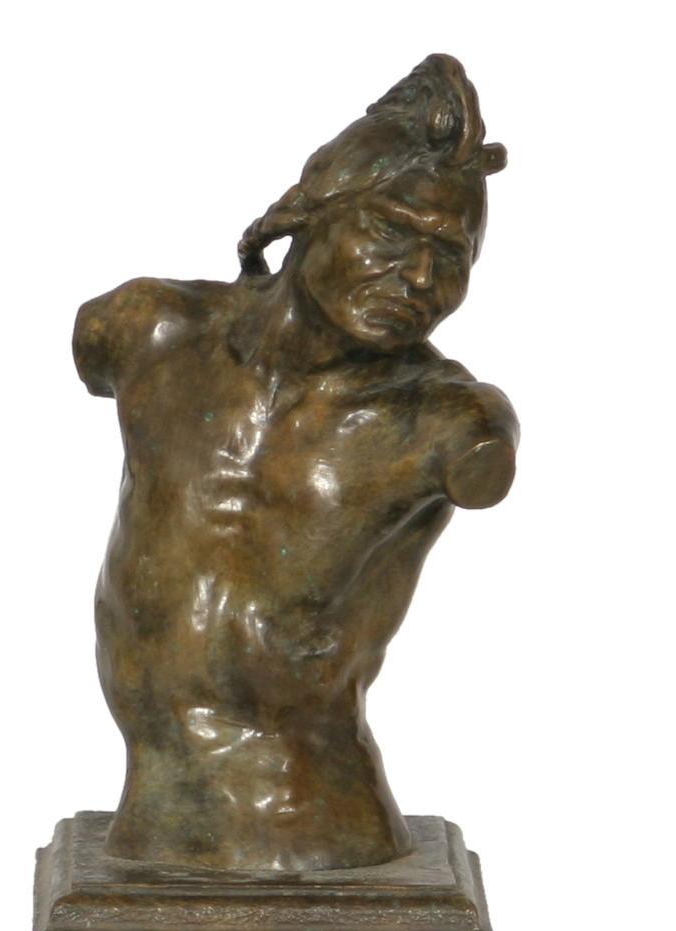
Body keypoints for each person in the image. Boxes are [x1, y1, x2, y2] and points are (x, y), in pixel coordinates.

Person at [73, 54, 519, 871]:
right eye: (390, 232)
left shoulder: (447, 422)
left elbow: (485, 443)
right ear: (307, 215)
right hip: (150, 827)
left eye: (451, 256)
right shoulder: (145, 331)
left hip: (312, 823)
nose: (421, 276)